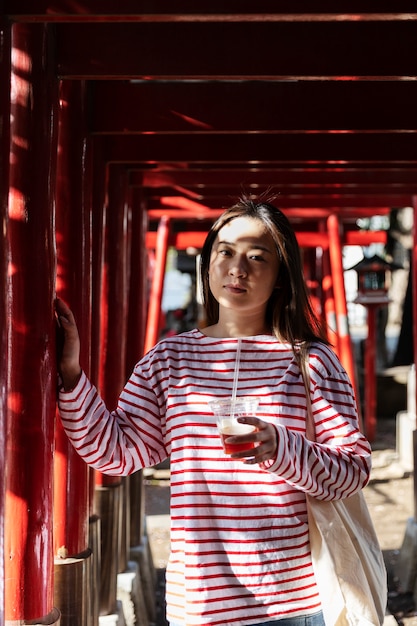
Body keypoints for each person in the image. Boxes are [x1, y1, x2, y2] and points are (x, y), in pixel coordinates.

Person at [56, 194, 372, 626]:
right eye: (225, 252)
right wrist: (72, 375)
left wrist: (281, 446)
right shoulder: (170, 359)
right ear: (208, 262)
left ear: (281, 276)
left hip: (291, 604)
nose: (236, 268)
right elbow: (115, 452)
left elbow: (352, 469)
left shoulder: (310, 361)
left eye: (256, 257)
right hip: (199, 603)